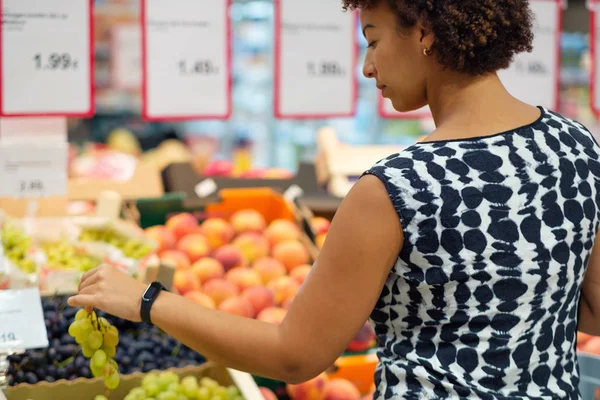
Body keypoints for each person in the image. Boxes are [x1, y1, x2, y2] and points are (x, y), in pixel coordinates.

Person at [68, 0, 600, 398]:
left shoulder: (396, 186)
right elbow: (594, 311)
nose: (367, 68)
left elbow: (295, 356)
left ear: (426, 33)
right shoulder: (578, 145)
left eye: (371, 39)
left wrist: (148, 301)